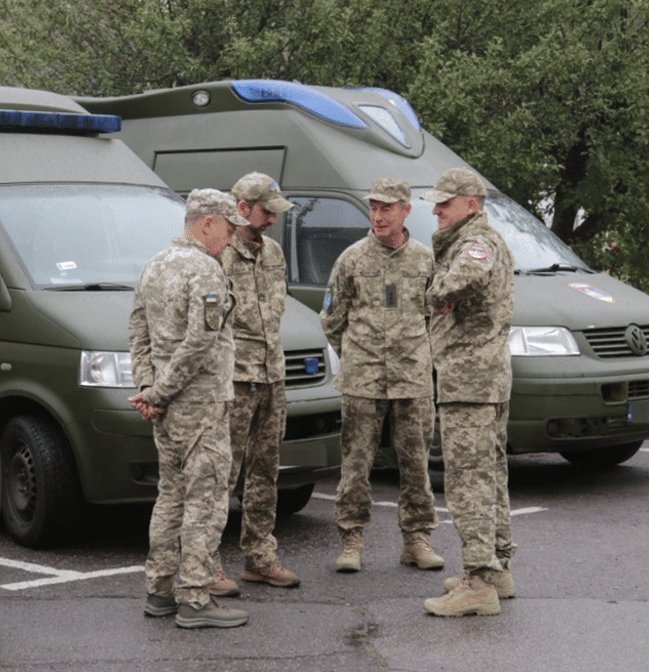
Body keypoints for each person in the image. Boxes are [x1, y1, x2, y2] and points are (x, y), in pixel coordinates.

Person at [129, 188, 248, 629]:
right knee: (205, 499)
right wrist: (158, 391)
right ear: (208, 223)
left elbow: (137, 330)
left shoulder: (154, 265)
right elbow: (201, 341)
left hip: (167, 408)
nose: (233, 239)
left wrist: (148, 386)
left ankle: (158, 590)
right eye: (230, 229)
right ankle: (195, 598)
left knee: (170, 495)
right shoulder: (205, 270)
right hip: (201, 404)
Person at [320, 177, 444, 573]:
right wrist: (356, 355)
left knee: (416, 464)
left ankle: (417, 540)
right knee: (355, 463)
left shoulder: (425, 260)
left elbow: (439, 320)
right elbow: (332, 318)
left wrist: (422, 356)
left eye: (387, 208)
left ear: (406, 210)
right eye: (374, 207)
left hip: (412, 377)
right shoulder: (352, 259)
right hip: (363, 379)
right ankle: (351, 539)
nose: (378, 215)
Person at [419, 167, 516, 617]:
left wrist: (435, 293)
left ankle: (479, 582)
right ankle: (497, 568)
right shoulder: (475, 239)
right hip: (484, 376)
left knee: (468, 479)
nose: (437, 210)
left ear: (471, 203)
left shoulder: (476, 243)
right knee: (490, 472)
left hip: (469, 379)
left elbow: (465, 280)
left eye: (446, 202)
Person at [212, 172, 300, 595]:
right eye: (266, 212)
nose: (272, 220)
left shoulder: (274, 252)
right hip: (233, 377)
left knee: (265, 471)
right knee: (220, 473)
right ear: (242, 208)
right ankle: (205, 561)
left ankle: (259, 556)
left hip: (271, 374)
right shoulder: (219, 253)